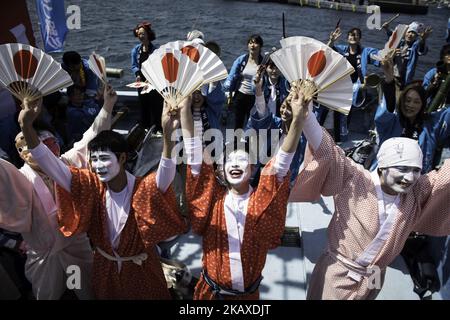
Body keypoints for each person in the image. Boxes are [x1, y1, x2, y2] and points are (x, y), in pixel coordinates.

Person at [19, 94, 187, 299]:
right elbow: (49, 164)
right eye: (94, 160)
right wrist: (26, 125)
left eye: (105, 159)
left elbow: (166, 172)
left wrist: (169, 133)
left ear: (123, 158)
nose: (98, 166)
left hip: (141, 270)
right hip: (104, 268)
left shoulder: (144, 189)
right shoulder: (89, 186)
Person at [289, 100, 450, 300]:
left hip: (375, 276)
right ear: (382, 167)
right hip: (339, 273)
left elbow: (445, 177)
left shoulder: (416, 194)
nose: (409, 177)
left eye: (415, 170)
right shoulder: (355, 179)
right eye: (401, 168)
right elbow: (327, 150)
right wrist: (307, 115)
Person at [180, 85, 308, 300]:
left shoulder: (261, 200)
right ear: (220, 169)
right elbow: (194, 156)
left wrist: (297, 121)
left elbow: (281, 165)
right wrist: (184, 109)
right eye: (229, 160)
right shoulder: (213, 201)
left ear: (253, 168)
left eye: (242, 160)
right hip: (210, 295)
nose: (235, 164)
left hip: (248, 297)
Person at [0, 85, 117, 300]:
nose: (43, 147)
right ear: (21, 154)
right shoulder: (18, 178)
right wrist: (24, 124)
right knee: (48, 295)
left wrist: (107, 106)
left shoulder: (67, 164)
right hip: (45, 254)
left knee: (85, 291)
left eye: (50, 142)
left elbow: (90, 138)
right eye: (29, 145)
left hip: (76, 244)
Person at [375, 55, 450, 174]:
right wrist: (389, 79)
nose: (410, 105)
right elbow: (386, 111)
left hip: (417, 180)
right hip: (388, 177)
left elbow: (447, 115)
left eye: (416, 102)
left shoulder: (430, 125)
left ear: (422, 106)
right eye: (407, 100)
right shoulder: (391, 123)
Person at [245, 75, 305, 187]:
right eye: (284, 105)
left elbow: (296, 162)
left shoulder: (300, 137)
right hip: (261, 173)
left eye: (290, 109)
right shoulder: (274, 122)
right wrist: (258, 90)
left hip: (279, 182)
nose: (285, 111)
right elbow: (262, 111)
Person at [327, 27, 380, 141]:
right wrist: (331, 40)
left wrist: (385, 55)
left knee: (347, 113)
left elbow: (377, 55)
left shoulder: (365, 52)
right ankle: (337, 139)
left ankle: (343, 136)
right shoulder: (342, 49)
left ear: (360, 38)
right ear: (347, 38)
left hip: (356, 87)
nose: (353, 36)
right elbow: (327, 51)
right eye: (351, 34)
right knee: (337, 113)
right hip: (341, 85)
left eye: (356, 35)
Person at [223, 34, 264, 129]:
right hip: (240, 95)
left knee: (252, 125)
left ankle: (249, 143)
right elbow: (232, 74)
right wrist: (228, 84)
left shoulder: (263, 63)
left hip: (255, 98)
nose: (252, 45)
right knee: (238, 124)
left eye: (255, 43)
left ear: (260, 46)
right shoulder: (241, 60)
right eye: (250, 43)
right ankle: (236, 143)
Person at [131, 21, 164, 133]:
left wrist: (152, 79)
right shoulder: (135, 50)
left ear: (149, 34)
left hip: (153, 82)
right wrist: (137, 75)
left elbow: (159, 67)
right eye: (139, 34)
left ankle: (157, 128)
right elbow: (134, 65)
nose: (141, 36)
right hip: (141, 81)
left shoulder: (155, 50)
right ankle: (145, 127)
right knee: (143, 104)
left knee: (155, 105)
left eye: (143, 33)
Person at [383, 21, 432, 88]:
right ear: (405, 32)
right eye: (409, 32)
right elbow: (392, 36)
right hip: (393, 75)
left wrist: (423, 39)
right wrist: (387, 28)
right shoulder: (400, 42)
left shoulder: (415, 45)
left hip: (405, 79)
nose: (410, 35)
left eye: (413, 33)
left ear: (417, 36)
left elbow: (422, 50)